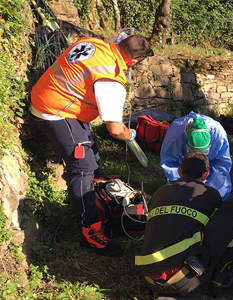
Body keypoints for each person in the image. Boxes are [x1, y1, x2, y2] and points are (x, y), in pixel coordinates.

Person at [29, 34, 154, 255]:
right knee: (83, 168)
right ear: (134, 62)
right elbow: (115, 129)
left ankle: (97, 199)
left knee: (92, 156)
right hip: (55, 111)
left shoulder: (94, 43)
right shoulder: (110, 80)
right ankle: (90, 231)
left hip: (52, 95)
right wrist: (129, 134)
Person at [136, 150, 233, 298]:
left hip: (149, 276)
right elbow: (219, 229)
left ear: (180, 171)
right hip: (185, 277)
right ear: (206, 175)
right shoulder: (210, 194)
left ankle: (166, 292)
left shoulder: (160, 192)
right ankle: (224, 274)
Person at [160, 112, 232, 199]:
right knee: (178, 194)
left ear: (210, 143)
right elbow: (169, 163)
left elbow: (222, 164)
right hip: (184, 165)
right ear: (186, 142)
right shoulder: (175, 136)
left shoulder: (219, 135)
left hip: (211, 169)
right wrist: (181, 185)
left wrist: (210, 188)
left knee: (219, 192)